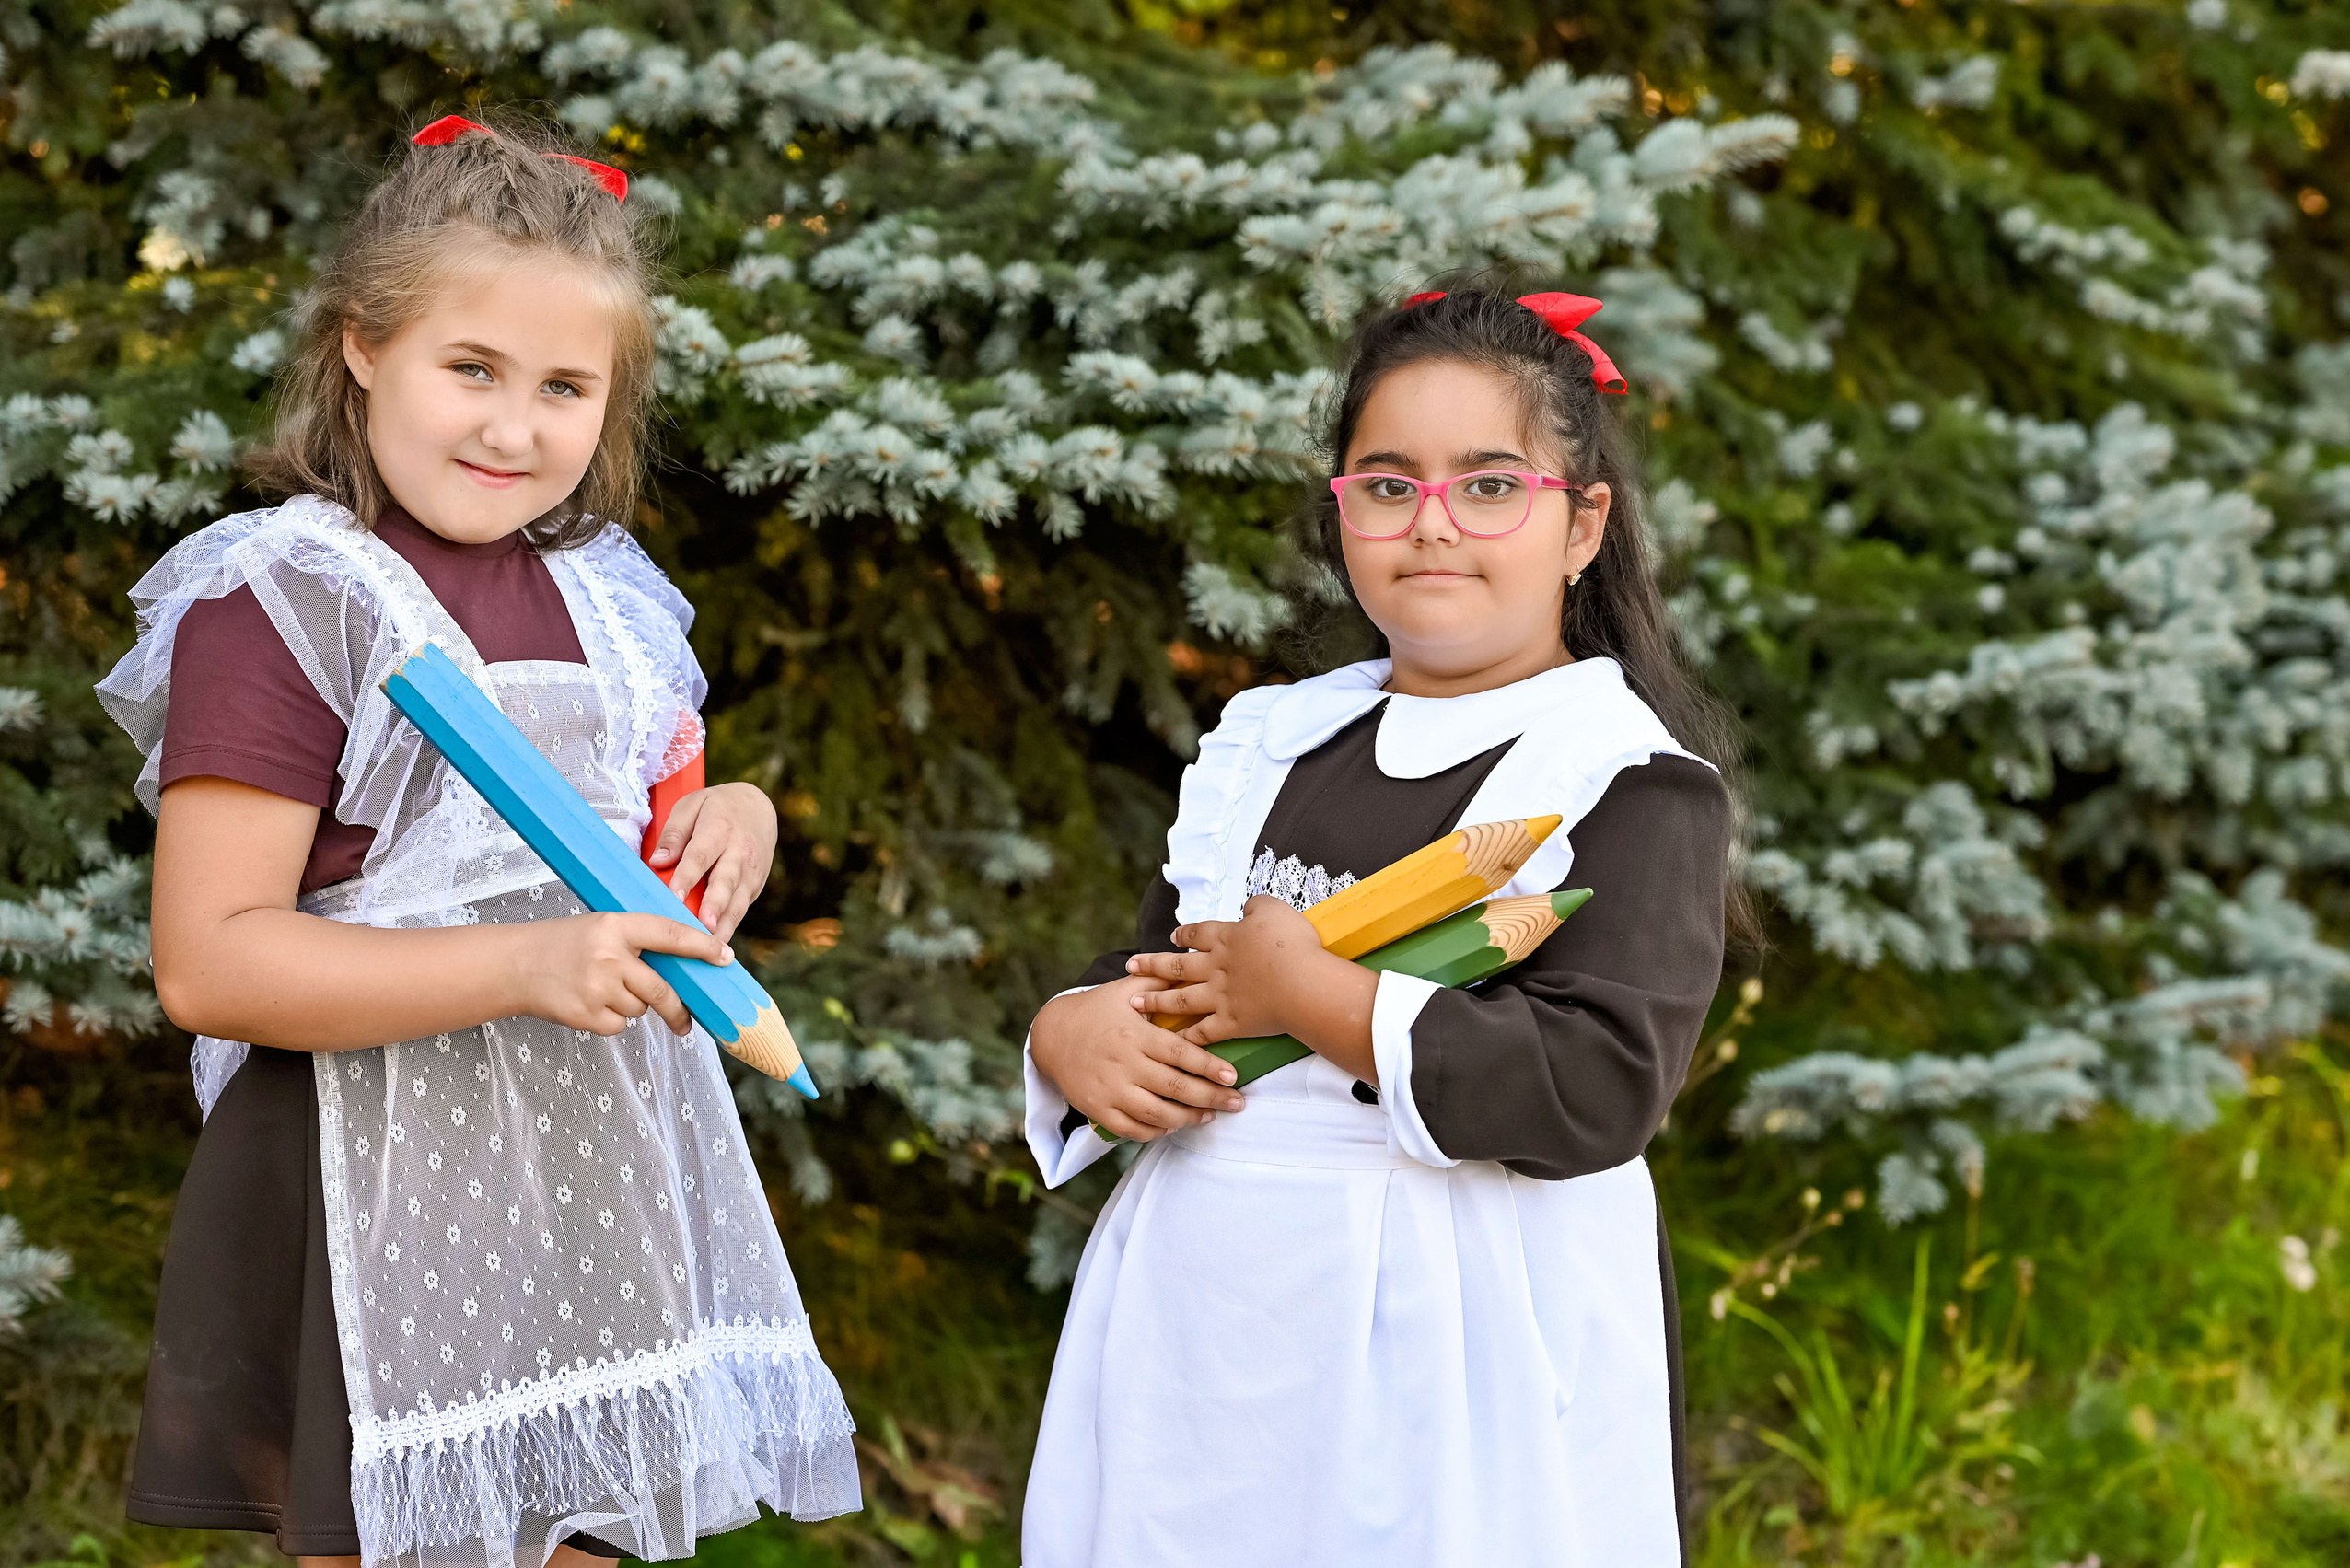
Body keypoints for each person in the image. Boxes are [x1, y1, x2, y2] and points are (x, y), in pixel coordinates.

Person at [96, 113, 858, 1568]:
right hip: (364, 1169)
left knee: (585, 1545)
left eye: (566, 386)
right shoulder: (287, 601)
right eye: (472, 370)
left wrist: (736, 817)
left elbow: (651, 830)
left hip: (590, 1162)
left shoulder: (615, 600)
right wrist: (528, 964)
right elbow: (210, 964)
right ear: (365, 346)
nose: (516, 429)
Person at [1020, 284, 1742, 1567]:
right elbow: (1156, 971)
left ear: (1582, 526)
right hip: (1213, 1311)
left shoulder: (1619, 777)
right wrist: (1073, 1035)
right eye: (1389, 485)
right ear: (1341, 510)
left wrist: (1316, 994)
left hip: (1464, 1327)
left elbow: (1600, 1085)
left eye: (1489, 486)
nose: (1435, 526)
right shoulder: (1270, 746)